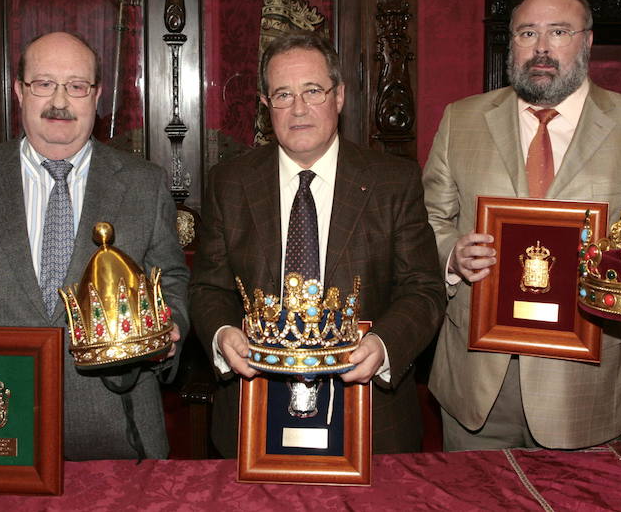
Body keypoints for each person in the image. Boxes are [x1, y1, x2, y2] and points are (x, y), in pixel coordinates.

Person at [422, 0, 621, 451]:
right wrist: (451, 255)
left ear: (587, 42)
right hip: (476, 384)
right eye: (527, 32)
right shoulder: (462, 120)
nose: (542, 48)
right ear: (510, 42)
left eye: (559, 32)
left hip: (582, 391)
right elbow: (427, 221)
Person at [0, 31, 190, 460]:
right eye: (44, 84)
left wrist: (170, 329)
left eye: (76, 86)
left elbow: (169, 277)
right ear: (19, 91)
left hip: (118, 424)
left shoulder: (144, 183)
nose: (60, 101)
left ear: (96, 96)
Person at [190, 31, 446, 457]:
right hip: (252, 411)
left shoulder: (392, 181)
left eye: (313, 91)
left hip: (372, 416)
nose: (299, 109)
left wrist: (383, 345)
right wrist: (221, 334)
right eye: (283, 95)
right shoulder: (229, 182)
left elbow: (424, 290)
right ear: (265, 104)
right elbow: (208, 288)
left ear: (339, 96)